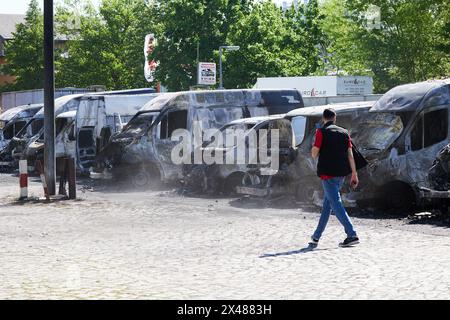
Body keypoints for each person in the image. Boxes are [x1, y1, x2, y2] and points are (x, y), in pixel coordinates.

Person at [309, 108, 360, 248]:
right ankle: (316, 237)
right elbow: (350, 155)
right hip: (341, 174)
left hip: (327, 174)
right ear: (335, 118)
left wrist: (314, 150)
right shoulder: (344, 133)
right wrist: (354, 174)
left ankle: (352, 234)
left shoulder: (321, 132)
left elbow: (314, 153)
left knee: (336, 203)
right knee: (328, 205)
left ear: (323, 118)